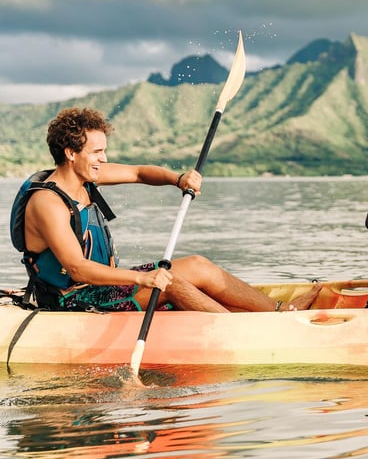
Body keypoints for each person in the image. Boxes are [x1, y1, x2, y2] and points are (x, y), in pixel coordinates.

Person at [17, 107, 320, 312]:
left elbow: (139, 173)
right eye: (97, 152)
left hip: (104, 285)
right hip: (72, 299)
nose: (105, 159)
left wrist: (178, 179)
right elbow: (77, 268)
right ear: (71, 153)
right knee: (171, 282)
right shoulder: (48, 203)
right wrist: (141, 279)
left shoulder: (85, 177)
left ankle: (280, 311)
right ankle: (243, 329)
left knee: (198, 265)